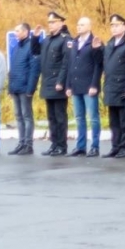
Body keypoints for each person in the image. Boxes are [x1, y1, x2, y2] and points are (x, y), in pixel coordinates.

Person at [65, 17, 104, 157]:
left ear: (89, 26)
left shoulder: (94, 41)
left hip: (89, 86)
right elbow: (70, 65)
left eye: (82, 24)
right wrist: (68, 85)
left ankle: (95, 146)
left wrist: (94, 85)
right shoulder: (74, 42)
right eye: (78, 24)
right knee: (79, 117)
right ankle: (80, 146)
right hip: (75, 86)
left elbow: (98, 65)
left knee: (93, 117)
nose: (78, 27)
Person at [37, 12, 72, 156]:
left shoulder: (65, 39)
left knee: (60, 117)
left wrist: (61, 81)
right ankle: (54, 143)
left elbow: (66, 63)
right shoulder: (47, 40)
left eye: (53, 22)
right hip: (47, 83)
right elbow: (36, 52)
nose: (50, 25)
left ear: (61, 23)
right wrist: (35, 37)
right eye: (49, 22)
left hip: (57, 84)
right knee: (51, 117)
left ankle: (61, 146)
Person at [100, 14, 125, 158]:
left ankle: (124, 147)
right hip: (110, 86)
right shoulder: (109, 44)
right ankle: (115, 146)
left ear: (124, 26)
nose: (114, 28)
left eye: (117, 25)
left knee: (124, 121)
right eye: (112, 25)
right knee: (113, 121)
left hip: (122, 87)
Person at [7, 23, 41, 155]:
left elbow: (34, 69)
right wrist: (10, 87)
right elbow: (13, 69)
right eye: (15, 31)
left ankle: (28, 144)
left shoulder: (30, 47)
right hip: (15, 87)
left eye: (18, 31)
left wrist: (30, 89)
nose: (15, 33)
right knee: (18, 116)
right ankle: (21, 143)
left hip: (25, 88)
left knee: (27, 116)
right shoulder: (16, 47)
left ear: (26, 32)